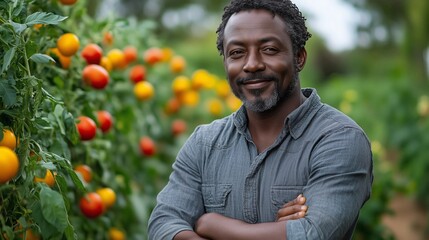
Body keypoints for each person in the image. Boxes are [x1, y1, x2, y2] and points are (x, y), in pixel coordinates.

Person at [148, 0, 373, 239]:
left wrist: (209, 224)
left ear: (299, 57)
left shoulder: (339, 139)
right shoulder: (204, 144)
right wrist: (276, 232)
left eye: (269, 49)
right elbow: (163, 225)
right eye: (237, 53)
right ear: (225, 62)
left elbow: (312, 234)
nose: (252, 64)